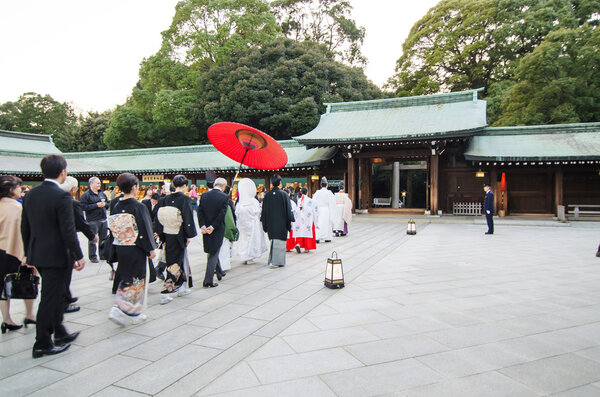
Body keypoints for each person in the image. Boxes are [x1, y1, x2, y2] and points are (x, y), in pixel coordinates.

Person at [21, 154, 85, 358]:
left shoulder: (31, 194)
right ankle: (42, 342)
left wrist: (27, 251)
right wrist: (78, 254)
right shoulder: (62, 196)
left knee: (55, 295)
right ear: (63, 172)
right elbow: (67, 229)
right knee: (50, 298)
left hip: (38, 252)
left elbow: (25, 227)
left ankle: (59, 332)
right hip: (57, 255)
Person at [107, 173, 156, 326]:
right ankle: (123, 310)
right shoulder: (138, 206)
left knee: (127, 277)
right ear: (134, 187)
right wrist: (150, 248)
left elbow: (113, 228)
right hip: (136, 247)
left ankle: (130, 311)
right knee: (137, 279)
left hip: (122, 246)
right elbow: (144, 228)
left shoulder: (116, 205)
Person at [0, 176, 36, 334]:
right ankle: (29, 314)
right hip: (16, 251)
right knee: (27, 282)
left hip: (1, 250)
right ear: (10, 189)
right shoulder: (17, 207)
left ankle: (6, 319)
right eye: (18, 187)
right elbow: (24, 232)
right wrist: (27, 255)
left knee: (2, 287)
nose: (21, 190)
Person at [155, 175, 197, 304]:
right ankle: (166, 292)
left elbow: (158, 217)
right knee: (174, 262)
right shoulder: (184, 199)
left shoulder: (164, 199)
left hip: (167, 233)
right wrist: (188, 235)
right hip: (178, 234)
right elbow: (187, 219)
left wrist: (159, 233)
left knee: (180, 259)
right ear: (185, 186)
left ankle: (182, 287)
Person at [60, 176, 97, 314]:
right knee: (64, 274)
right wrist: (92, 236)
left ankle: (66, 296)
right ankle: (63, 301)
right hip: (64, 243)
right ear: (73, 189)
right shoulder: (72, 203)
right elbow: (81, 223)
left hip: (42, 245)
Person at [198, 177, 230, 287]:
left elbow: (200, 212)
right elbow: (222, 214)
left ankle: (220, 272)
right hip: (217, 228)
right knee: (214, 252)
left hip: (205, 227)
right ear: (223, 186)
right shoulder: (224, 197)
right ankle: (208, 280)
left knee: (213, 249)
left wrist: (203, 226)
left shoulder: (204, 196)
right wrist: (213, 226)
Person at [261, 174, 295, 268]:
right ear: (280, 183)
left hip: (271, 223)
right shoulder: (284, 194)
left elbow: (264, 211)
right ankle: (277, 261)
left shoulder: (267, 196)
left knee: (273, 241)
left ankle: (272, 260)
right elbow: (289, 209)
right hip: (282, 223)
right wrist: (290, 219)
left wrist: (265, 223)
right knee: (279, 241)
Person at [235, 178, 267, 264]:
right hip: (252, 224)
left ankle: (244, 256)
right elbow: (257, 212)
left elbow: (237, 214)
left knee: (244, 239)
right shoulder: (253, 202)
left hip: (242, 225)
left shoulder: (239, 203)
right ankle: (250, 256)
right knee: (252, 240)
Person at [79, 176, 109, 263]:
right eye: (97, 183)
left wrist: (105, 204)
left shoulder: (102, 194)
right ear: (91, 184)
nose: (99, 185)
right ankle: (93, 256)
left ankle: (102, 254)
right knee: (93, 239)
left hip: (103, 219)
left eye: (99, 183)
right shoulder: (86, 195)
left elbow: (108, 203)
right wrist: (96, 205)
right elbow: (83, 207)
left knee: (103, 238)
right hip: (93, 220)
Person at [287, 187, 318, 253]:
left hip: (300, 218)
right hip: (308, 218)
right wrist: (316, 221)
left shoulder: (299, 200)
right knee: (307, 231)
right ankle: (307, 248)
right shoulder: (310, 200)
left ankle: (298, 243)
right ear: (307, 192)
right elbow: (314, 211)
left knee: (300, 231)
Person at [218, 186, 237, 272]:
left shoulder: (219, 201)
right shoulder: (228, 202)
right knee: (226, 246)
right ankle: (224, 264)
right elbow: (233, 215)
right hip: (226, 226)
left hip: (216, 227)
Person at [312, 177, 336, 243]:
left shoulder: (317, 193)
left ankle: (317, 237)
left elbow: (313, 202)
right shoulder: (329, 193)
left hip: (319, 210)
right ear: (327, 185)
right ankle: (327, 237)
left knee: (319, 223)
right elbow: (333, 203)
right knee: (327, 223)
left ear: (320, 185)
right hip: (326, 210)